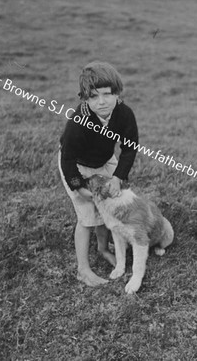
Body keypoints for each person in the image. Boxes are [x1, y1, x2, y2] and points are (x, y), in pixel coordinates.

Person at [58, 62, 138, 287]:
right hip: (78, 165)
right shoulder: (79, 121)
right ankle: (83, 270)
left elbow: (130, 147)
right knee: (87, 216)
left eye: (106, 94)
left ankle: (103, 248)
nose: (101, 102)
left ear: (117, 93)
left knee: (112, 204)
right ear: (85, 98)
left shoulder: (124, 114)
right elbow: (67, 160)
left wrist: (117, 177)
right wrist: (80, 188)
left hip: (104, 161)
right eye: (93, 97)